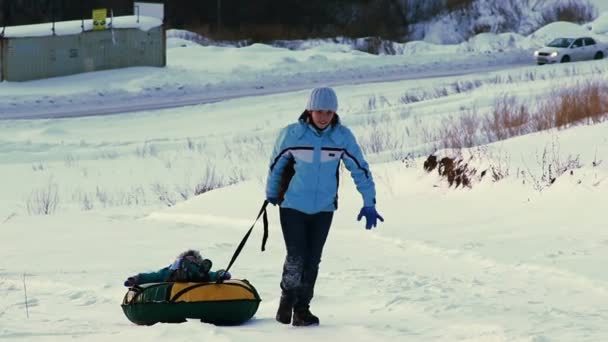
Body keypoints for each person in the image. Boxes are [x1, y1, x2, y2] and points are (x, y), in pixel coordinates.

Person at [265, 86, 384, 327]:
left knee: (313, 260)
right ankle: (287, 298)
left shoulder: (341, 138)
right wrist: (271, 193)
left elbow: (360, 170)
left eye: (329, 112)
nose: (323, 117)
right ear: (310, 110)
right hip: (292, 206)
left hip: (323, 209)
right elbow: (276, 166)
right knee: (296, 256)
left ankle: (302, 309)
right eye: (319, 111)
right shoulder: (292, 135)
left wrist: (369, 202)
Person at [123, 249, 231, 286]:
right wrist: (136, 279)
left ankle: (195, 274)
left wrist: (222, 274)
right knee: (170, 274)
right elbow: (153, 276)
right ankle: (183, 274)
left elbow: (213, 275)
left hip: (196, 278)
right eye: (188, 259)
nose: (190, 261)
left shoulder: (198, 268)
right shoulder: (170, 270)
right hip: (176, 277)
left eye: (192, 260)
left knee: (204, 275)